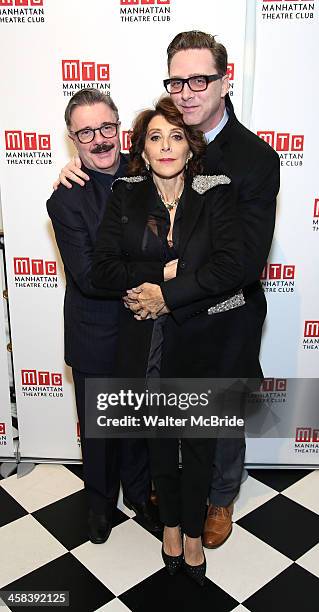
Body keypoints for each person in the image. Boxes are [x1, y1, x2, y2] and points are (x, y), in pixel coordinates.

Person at [53, 29, 280, 550]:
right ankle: (171, 501)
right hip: (165, 323)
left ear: (226, 82)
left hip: (223, 314)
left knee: (220, 414)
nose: (188, 90)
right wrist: (82, 169)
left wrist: (166, 290)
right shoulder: (169, 138)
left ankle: (221, 497)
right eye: (178, 80)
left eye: (200, 79)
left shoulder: (253, 158)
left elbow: (243, 263)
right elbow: (122, 191)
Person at [91, 96, 245, 585]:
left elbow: (229, 266)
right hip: (146, 342)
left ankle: (195, 533)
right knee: (160, 443)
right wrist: (159, 275)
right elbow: (103, 268)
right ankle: (172, 530)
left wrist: (170, 295)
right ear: (142, 147)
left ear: (191, 145)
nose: (165, 145)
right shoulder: (126, 194)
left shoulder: (215, 192)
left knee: (199, 442)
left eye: (176, 135)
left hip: (202, 335)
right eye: (155, 136)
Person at [47, 88, 161, 544]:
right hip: (95, 330)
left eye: (107, 127)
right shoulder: (65, 200)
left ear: (121, 128)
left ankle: (138, 493)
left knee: (136, 423)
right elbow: (91, 277)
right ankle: (99, 503)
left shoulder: (149, 172)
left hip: (144, 331)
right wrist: (158, 272)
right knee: (98, 429)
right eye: (86, 132)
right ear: (73, 139)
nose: (99, 139)